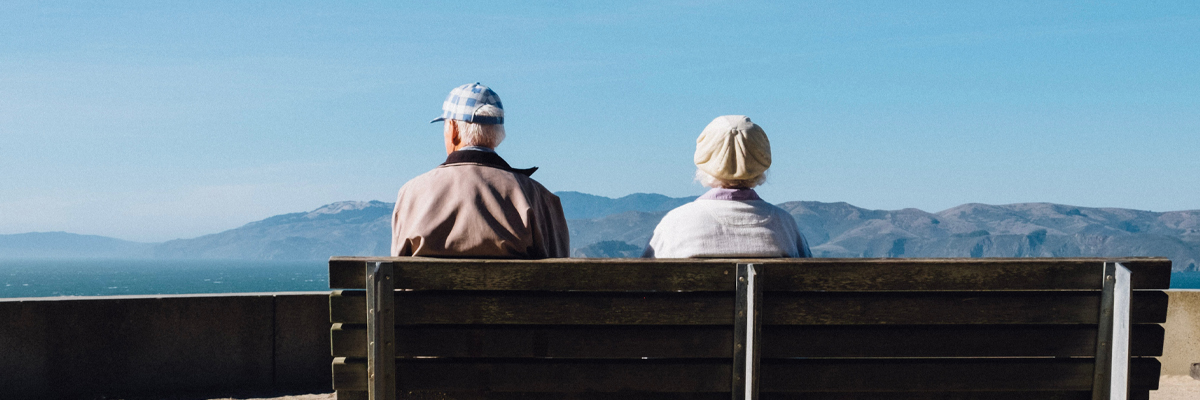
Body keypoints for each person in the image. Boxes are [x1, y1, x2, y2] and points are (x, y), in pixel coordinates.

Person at [391, 83, 570, 258]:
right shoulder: (537, 197)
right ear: (497, 134)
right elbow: (560, 274)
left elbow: (396, 276)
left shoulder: (412, 193)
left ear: (453, 130)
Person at [643, 115, 812, 258]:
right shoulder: (785, 225)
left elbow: (644, 283)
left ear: (704, 163)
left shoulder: (675, 223)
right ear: (761, 164)